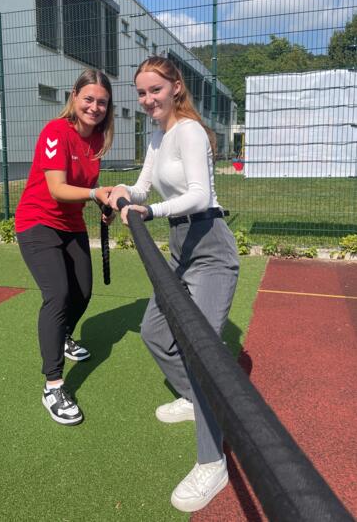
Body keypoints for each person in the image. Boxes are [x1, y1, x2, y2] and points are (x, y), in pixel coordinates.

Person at [109, 56, 239, 512]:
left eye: (155, 91)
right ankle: (195, 398)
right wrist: (124, 192)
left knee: (201, 353)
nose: (147, 100)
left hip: (210, 246)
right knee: (155, 333)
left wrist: (150, 212)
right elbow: (145, 185)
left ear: (176, 87)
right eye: (141, 93)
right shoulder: (157, 134)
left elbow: (200, 195)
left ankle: (213, 461)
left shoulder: (189, 131)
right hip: (181, 248)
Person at [15, 69, 115, 426]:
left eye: (102, 101)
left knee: (83, 292)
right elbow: (57, 188)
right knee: (57, 294)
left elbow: (88, 182)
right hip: (37, 221)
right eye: (88, 98)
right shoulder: (55, 132)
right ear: (74, 97)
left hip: (70, 224)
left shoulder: (98, 139)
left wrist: (102, 201)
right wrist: (94, 194)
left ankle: (64, 335)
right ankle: (53, 385)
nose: (95, 106)